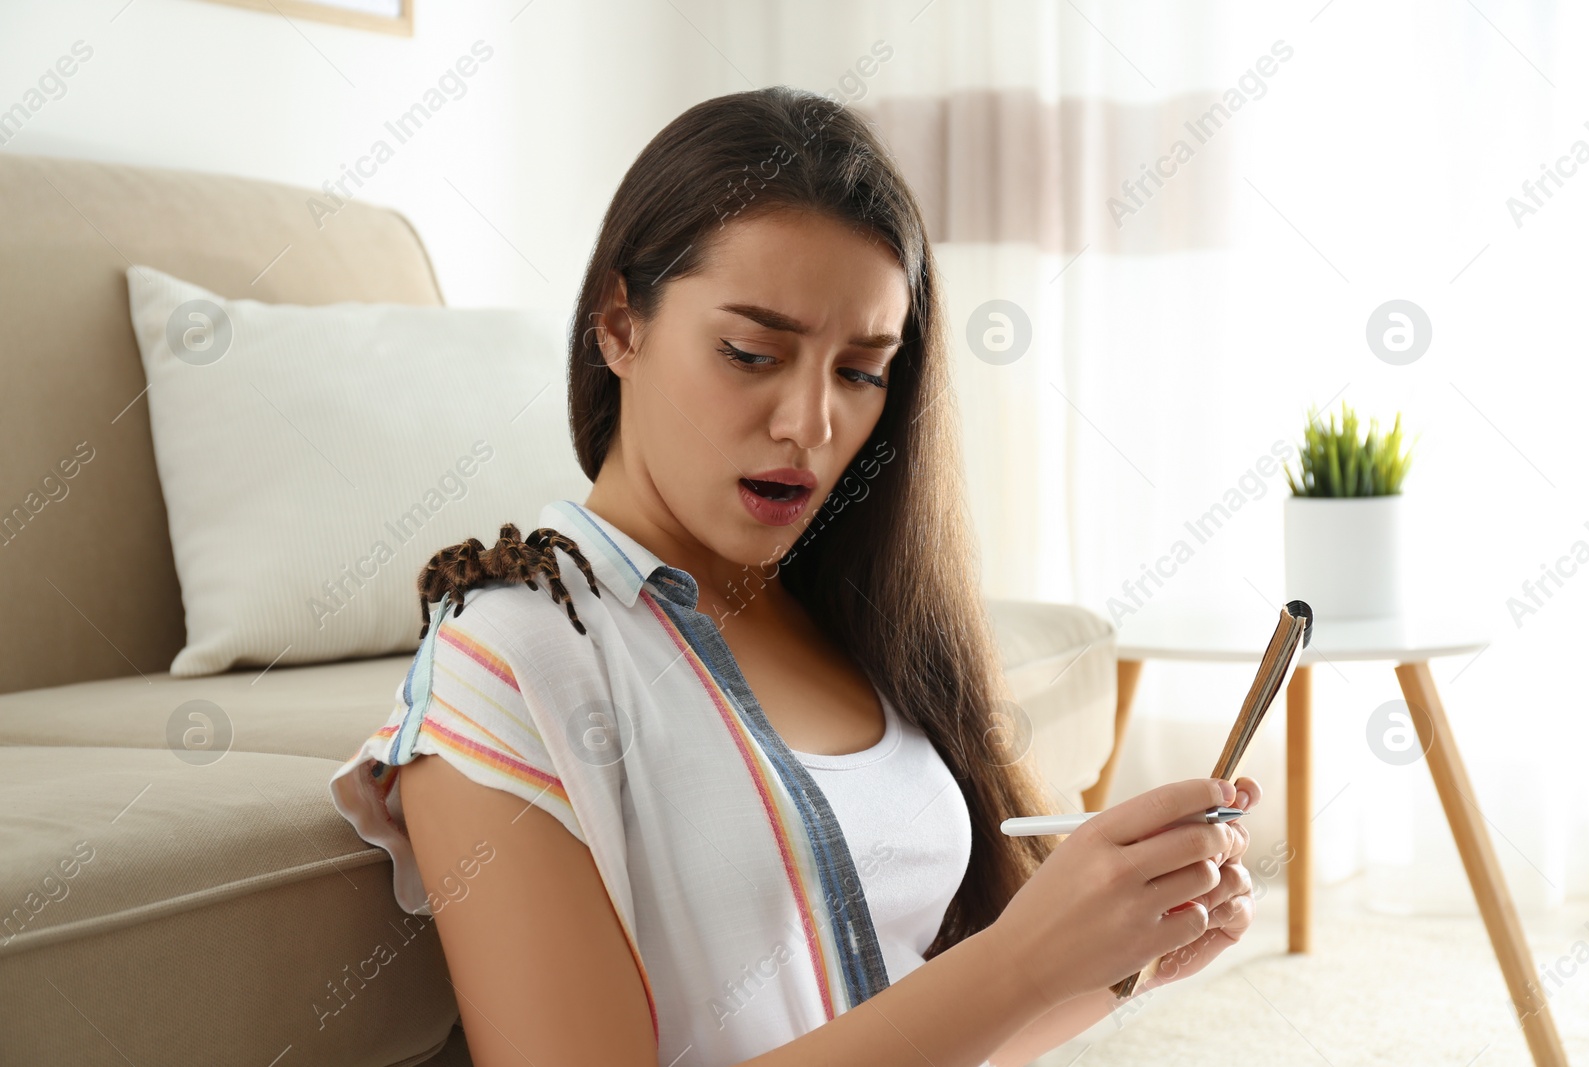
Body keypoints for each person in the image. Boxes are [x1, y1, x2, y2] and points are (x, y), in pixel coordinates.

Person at [329, 85, 1259, 1067]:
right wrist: (1025, 959)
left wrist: (1121, 956)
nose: (811, 424)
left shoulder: (849, 618)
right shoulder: (507, 655)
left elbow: (925, 1021)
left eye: (861, 371)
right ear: (618, 325)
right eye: (751, 352)